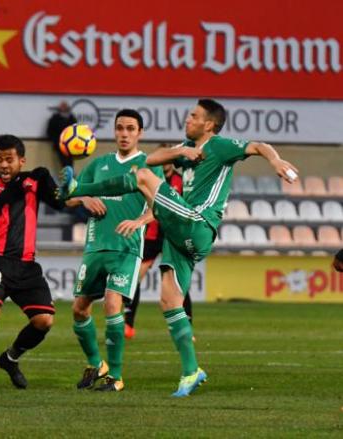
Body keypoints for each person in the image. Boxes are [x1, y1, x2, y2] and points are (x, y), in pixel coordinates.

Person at [60, 98, 299, 397]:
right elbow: (154, 158)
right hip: (180, 233)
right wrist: (180, 151)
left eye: (193, 116)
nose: (188, 119)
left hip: (199, 222)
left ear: (209, 124)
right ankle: (191, 371)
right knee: (170, 301)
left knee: (141, 177)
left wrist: (274, 160)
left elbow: (258, 145)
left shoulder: (219, 146)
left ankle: (77, 189)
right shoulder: (188, 147)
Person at [63, 109, 164, 392]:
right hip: (95, 247)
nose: (124, 133)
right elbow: (68, 197)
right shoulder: (99, 164)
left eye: (130, 128)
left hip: (127, 248)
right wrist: (84, 198)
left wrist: (139, 221)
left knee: (111, 303)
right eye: (120, 128)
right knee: (79, 310)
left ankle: (116, 377)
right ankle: (97, 364)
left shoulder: (148, 165)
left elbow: (160, 205)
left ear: (139, 133)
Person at [0, 134, 65, 391]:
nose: (3, 165)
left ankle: (10, 359)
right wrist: (16, 187)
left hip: (26, 266)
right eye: (0, 159)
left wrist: (49, 179)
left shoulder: (31, 183)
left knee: (44, 320)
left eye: (9, 160)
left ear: (21, 160)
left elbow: (59, 204)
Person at [123, 144, 192, 340]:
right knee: (135, 278)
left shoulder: (181, 180)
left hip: (172, 237)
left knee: (177, 283)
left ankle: (188, 326)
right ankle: (128, 324)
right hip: (152, 236)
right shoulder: (150, 179)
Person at [46, 101, 77, 168]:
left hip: (71, 144)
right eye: (62, 107)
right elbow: (50, 131)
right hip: (60, 144)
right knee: (63, 162)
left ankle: (70, 175)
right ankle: (66, 176)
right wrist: (55, 140)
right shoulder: (55, 118)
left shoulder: (72, 118)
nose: (63, 108)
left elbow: (76, 130)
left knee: (70, 162)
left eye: (65, 106)